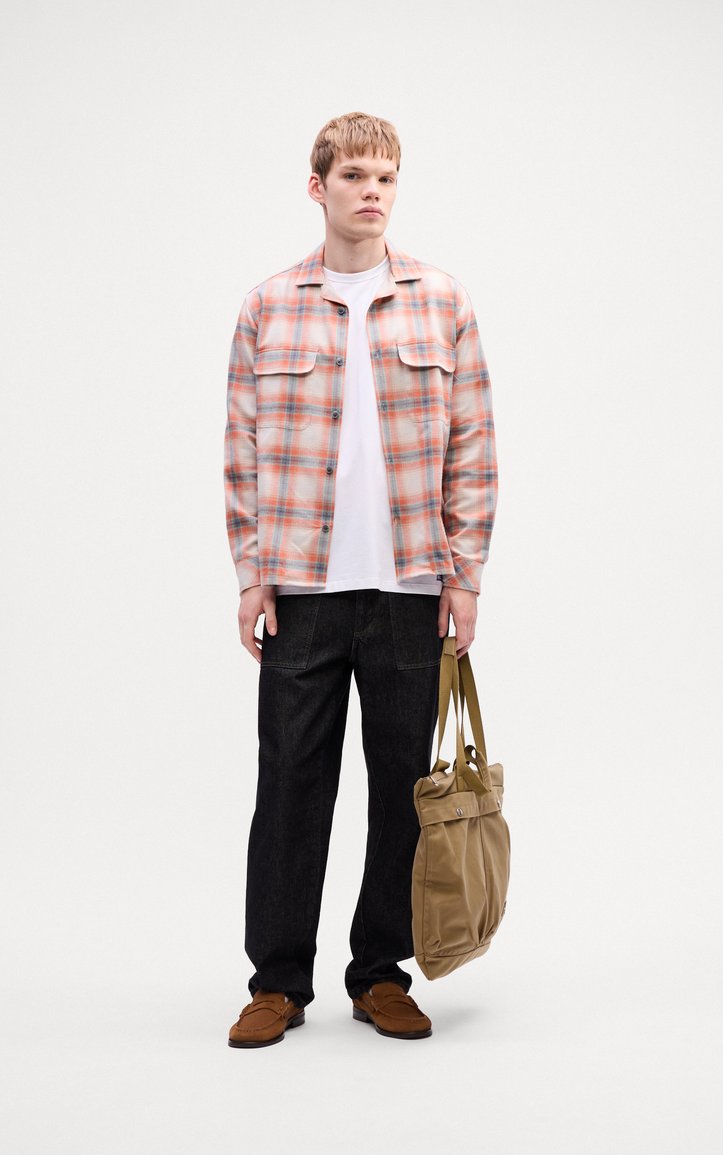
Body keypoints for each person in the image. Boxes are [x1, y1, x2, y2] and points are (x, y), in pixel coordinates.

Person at [224, 111, 499, 1047]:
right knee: (290, 786)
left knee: (401, 790)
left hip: (412, 589)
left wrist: (466, 574)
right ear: (319, 187)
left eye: (385, 177)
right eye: (353, 176)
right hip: (300, 588)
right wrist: (251, 573)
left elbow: (473, 446)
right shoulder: (268, 305)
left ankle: (381, 973)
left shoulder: (443, 300)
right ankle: (277, 982)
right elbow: (241, 449)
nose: (372, 192)